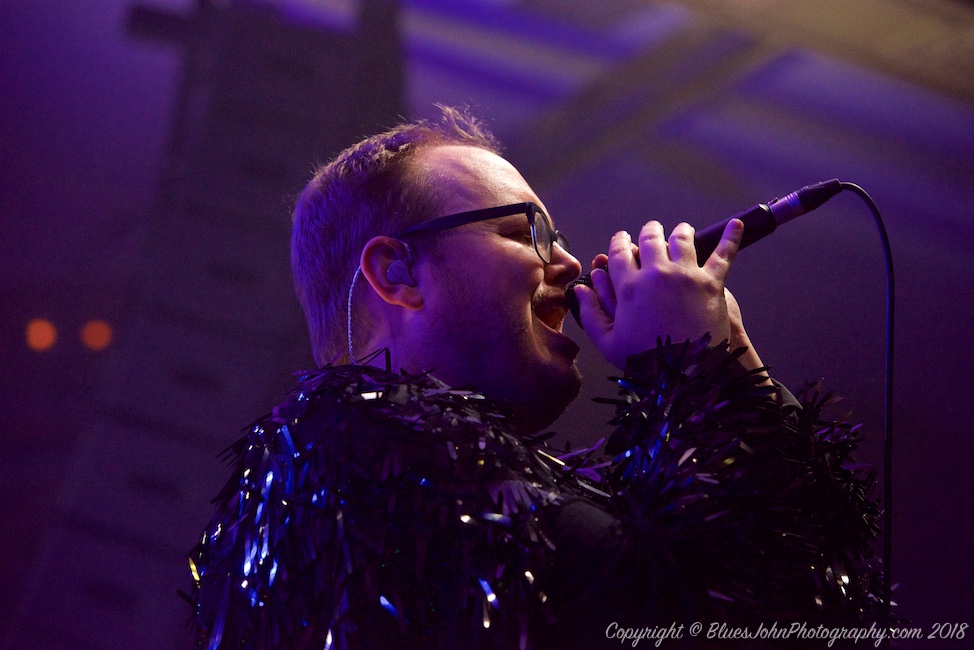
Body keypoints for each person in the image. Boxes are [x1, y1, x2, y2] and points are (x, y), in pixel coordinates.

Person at [187, 107, 885, 649]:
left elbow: (820, 593)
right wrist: (693, 366)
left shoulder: (353, 470)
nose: (572, 266)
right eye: (527, 233)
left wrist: (726, 356)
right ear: (396, 274)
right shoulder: (374, 465)